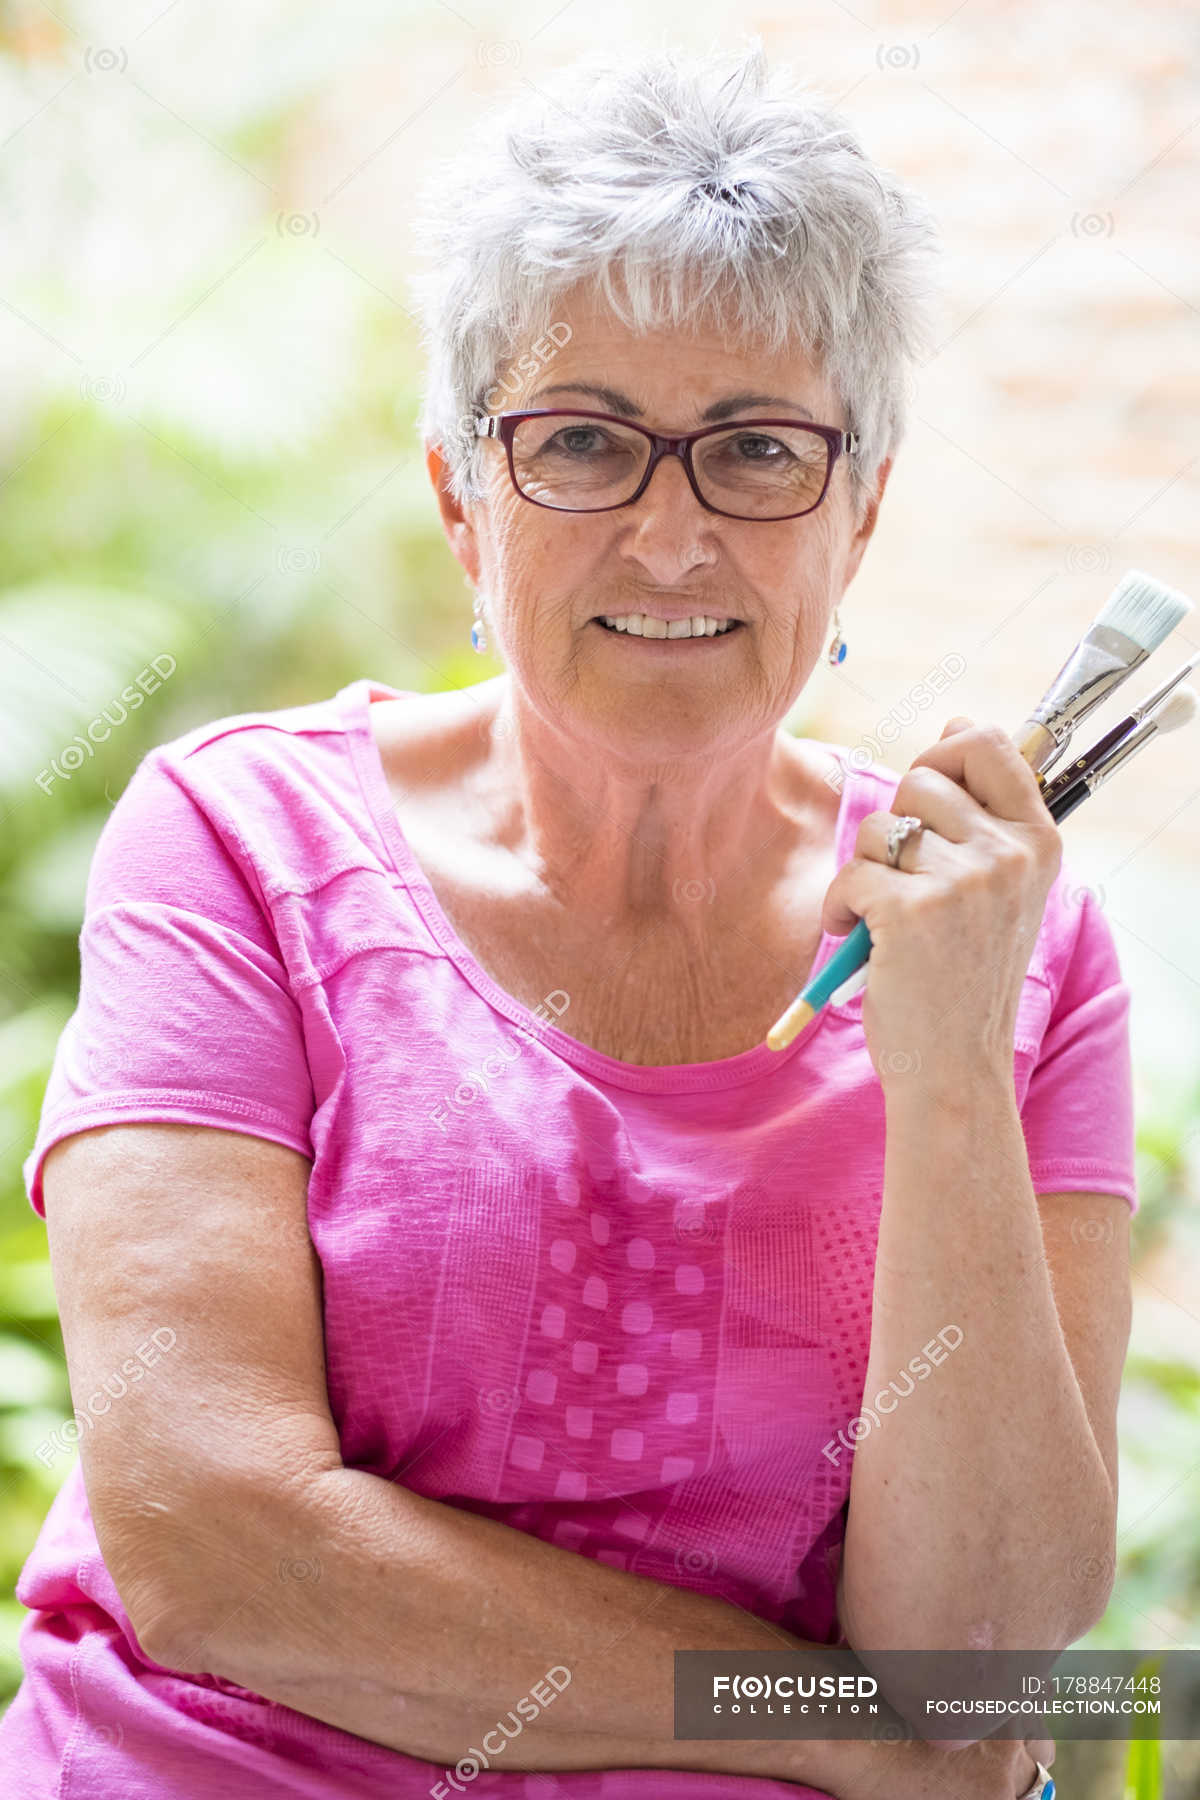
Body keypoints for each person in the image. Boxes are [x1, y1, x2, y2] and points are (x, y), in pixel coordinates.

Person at [2, 40, 1133, 1800]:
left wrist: (948, 1066)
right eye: (586, 443)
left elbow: (973, 1665)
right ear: (464, 497)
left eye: (756, 449)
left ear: (861, 510)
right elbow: (219, 1548)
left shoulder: (1010, 940)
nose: (672, 539)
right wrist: (837, 1736)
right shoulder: (241, 840)